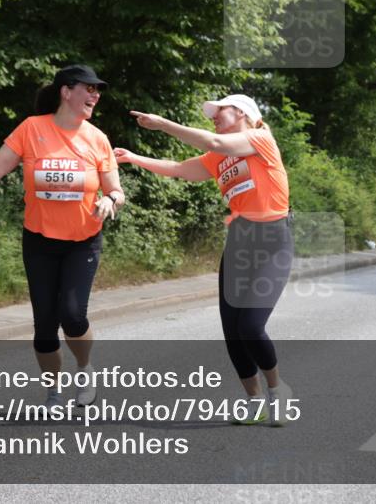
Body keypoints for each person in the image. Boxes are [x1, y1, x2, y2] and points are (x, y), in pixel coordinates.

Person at [114, 94, 294, 426]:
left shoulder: (260, 139)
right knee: (233, 332)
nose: (214, 116)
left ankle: (276, 388)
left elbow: (213, 140)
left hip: (272, 242)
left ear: (242, 112)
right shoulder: (218, 157)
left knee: (250, 327)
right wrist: (134, 157)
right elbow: (181, 169)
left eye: (220, 110)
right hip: (239, 243)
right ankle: (254, 401)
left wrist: (162, 124)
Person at [0, 65, 124, 409]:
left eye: (98, 90)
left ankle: (84, 369)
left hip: (82, 240)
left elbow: (116, 190)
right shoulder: (32, 128)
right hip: (39, 240)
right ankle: (53, 391)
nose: (96, 95)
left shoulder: (97, 139)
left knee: (73, 315)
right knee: (45, 325)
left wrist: (110, 201)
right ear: (66, 91)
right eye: (89, 88)